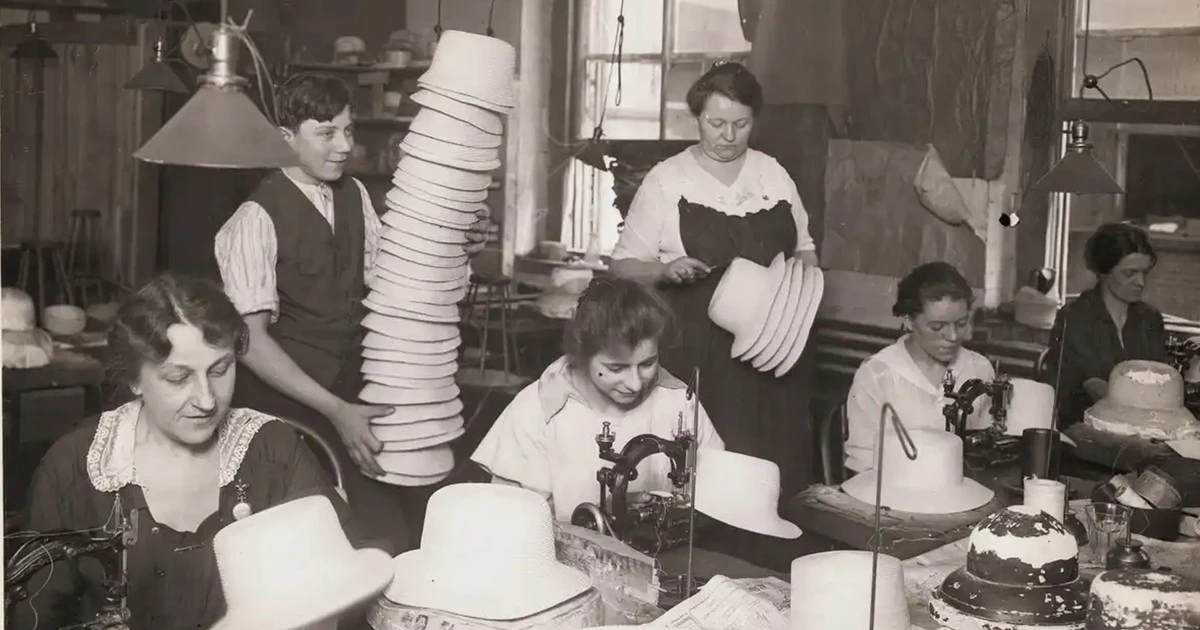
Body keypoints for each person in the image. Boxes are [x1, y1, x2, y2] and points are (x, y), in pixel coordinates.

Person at [9, 273, 387, 630]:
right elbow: (35, 613)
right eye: (179, 377)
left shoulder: (272, 450)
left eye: (220, 370)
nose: (207, 400)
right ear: (134, 380)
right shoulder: (78, 466)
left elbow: (354, 571)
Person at [213, 73, 488, 552]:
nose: (343, 146)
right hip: (285, 407)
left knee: (438, 507)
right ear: (285, 138)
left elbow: (395, 287)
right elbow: (250, 342)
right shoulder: (253, 219)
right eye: (326, 133)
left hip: (351, 392)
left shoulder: (354, 195)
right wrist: (338, 411)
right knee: (373, 537)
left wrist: (459, 252)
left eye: (349, 131)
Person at [609, 61, 818, 495]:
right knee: (709, 467)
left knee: (775, 465)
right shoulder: (668, 180)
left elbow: (805, 248)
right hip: (699, 356)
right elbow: (623, 266)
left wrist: (799, 291)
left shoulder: (773, 174)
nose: (727, 136)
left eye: (740, 124)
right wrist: (664, 270)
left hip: (778, 352)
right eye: (716, 122)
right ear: (697, 117)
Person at [471, 277, 725, 521]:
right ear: (582, 354)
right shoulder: (536, 409)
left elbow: (715, 484)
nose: (635, 383)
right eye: (616, 369)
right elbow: (512, 517)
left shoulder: (679, 401)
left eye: (648, 363)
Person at [844, 262, 995, 473]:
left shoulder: (979, 369)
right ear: (908, 321)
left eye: (961, 324)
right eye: (937, 327)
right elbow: (862, 464)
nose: (952, 337)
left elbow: (987, 449)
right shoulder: (877, 376)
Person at [1045, 222, 1170, 429]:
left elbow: (1160, 382)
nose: (1140, 282)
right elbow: (1094, 387)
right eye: (1130, 273)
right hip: (1084, 428)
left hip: (1143, 427)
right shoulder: (1076, 317)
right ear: (1104, 272)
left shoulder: (1150, 319)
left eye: (1144, 272)